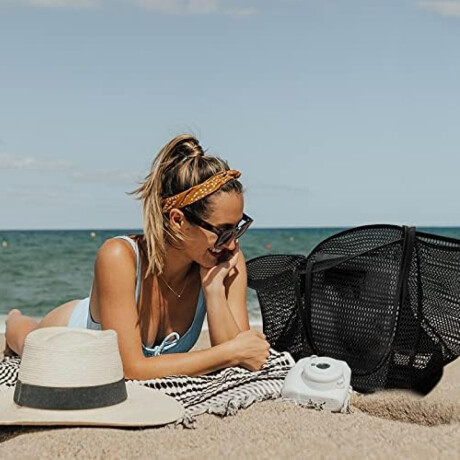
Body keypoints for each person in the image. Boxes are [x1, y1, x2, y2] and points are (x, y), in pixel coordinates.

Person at [4, 134, 270, 379]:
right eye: (223, 232)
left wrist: (213, 292)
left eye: (238, 228)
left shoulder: (226, 264)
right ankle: (13, 318)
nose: (233, 244)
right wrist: (230, 352)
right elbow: (130, 368)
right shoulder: (119, 256)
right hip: (70, 333)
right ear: (177, 220)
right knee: (26, 342)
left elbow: (241, 362)